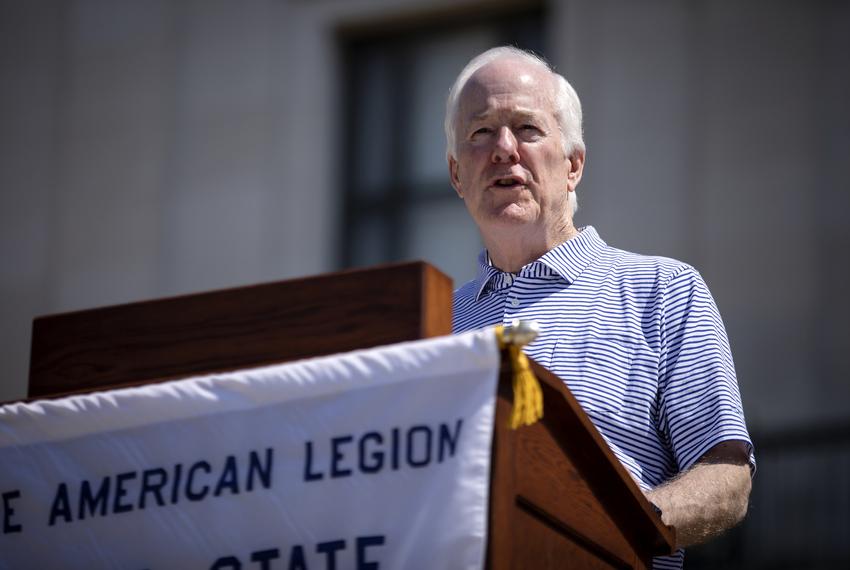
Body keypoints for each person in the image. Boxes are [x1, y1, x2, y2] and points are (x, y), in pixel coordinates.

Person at [447, 46, 753, 569]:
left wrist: (600, 529)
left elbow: (727, 475)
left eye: (527, 129)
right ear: (457, 176)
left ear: (573, 165)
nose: (502, 149)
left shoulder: (662, 290)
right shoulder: (434, 324)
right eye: (480, 133)